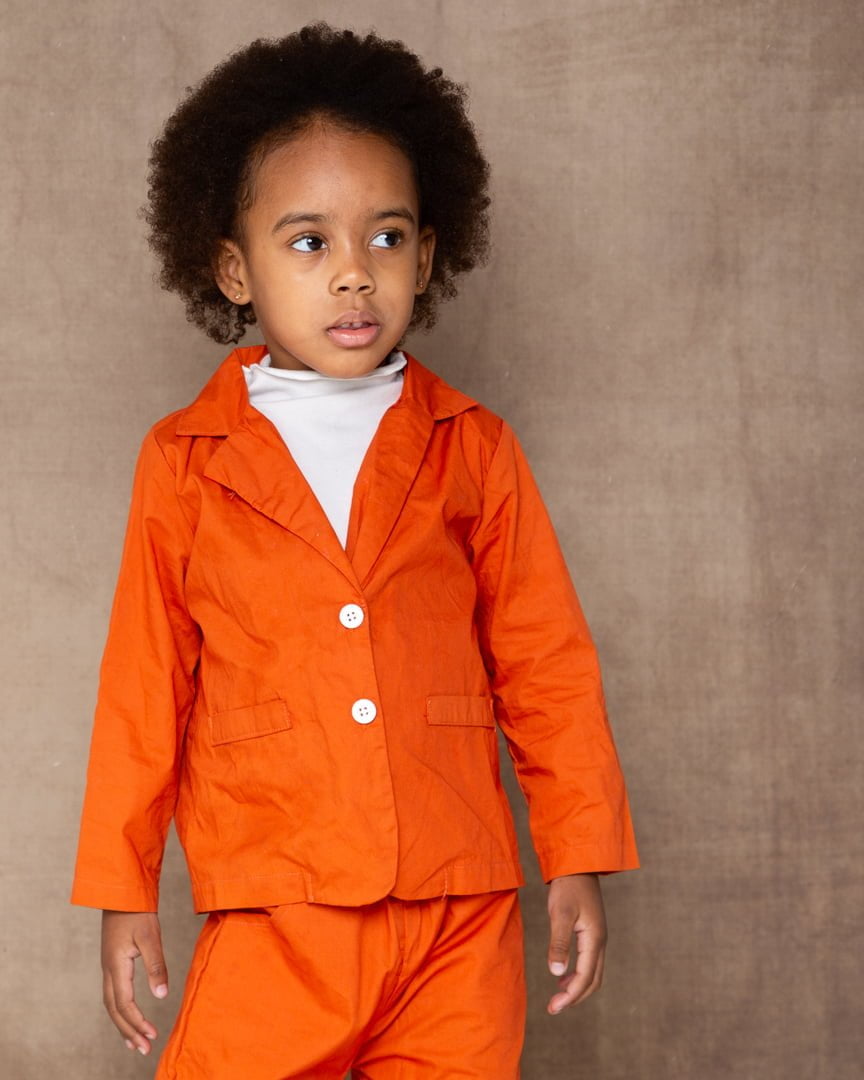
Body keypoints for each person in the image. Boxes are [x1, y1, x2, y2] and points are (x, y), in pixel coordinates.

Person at [71, 22, 638, 1079]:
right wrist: (122, 887)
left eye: (385, 238)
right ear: (233, 269)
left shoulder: (474, 447)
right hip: (276, 901)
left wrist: (579, 856)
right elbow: (144, 686)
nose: (353, 276)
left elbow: (546, 664)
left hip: (460, 912)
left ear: (429, 251)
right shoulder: (185, 460)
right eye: (308, 242)